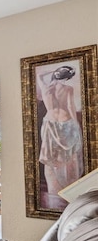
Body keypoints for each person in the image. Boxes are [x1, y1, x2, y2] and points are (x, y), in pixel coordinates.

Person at [37, 65, 83, 196]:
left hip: (49, 123)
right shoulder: (68, 89)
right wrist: (75, 124)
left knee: (52, 158)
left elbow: (40, 75)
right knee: (68, 158)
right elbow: (70, 106)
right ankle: (68, 189)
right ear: (66, 78)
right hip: (65, 122)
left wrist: (54, 72)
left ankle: (54, 190)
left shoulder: (46, 89)